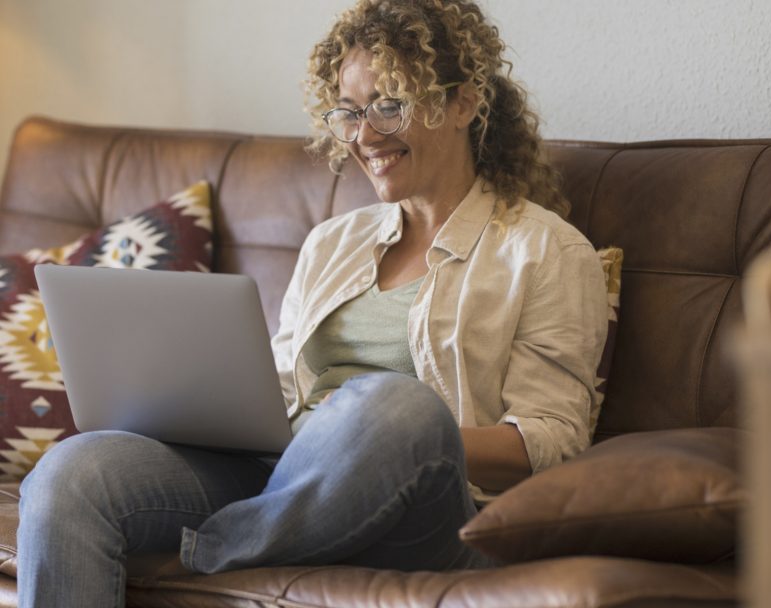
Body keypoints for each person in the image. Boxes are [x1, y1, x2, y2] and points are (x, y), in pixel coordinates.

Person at [17, 0, 608, 605]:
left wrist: (403, 436)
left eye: (390, 105)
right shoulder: (334, 242)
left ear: (464, 102)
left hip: (431, 513)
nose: (365, 136)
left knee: (393, 405)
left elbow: (554, 441)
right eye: (349, 113)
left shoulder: (544, 250)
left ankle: (207, 552)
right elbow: (276, 386)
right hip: (287, 472)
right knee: (72, 475)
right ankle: (263, 519)